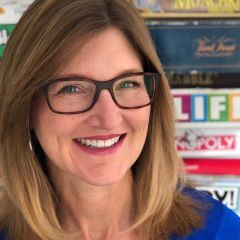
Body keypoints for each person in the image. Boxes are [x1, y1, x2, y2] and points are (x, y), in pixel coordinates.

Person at [0, 0, 239, 239]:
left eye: (127, 83)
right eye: (72, 88)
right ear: (25, 107)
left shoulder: (218, 230)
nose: (109, 119)